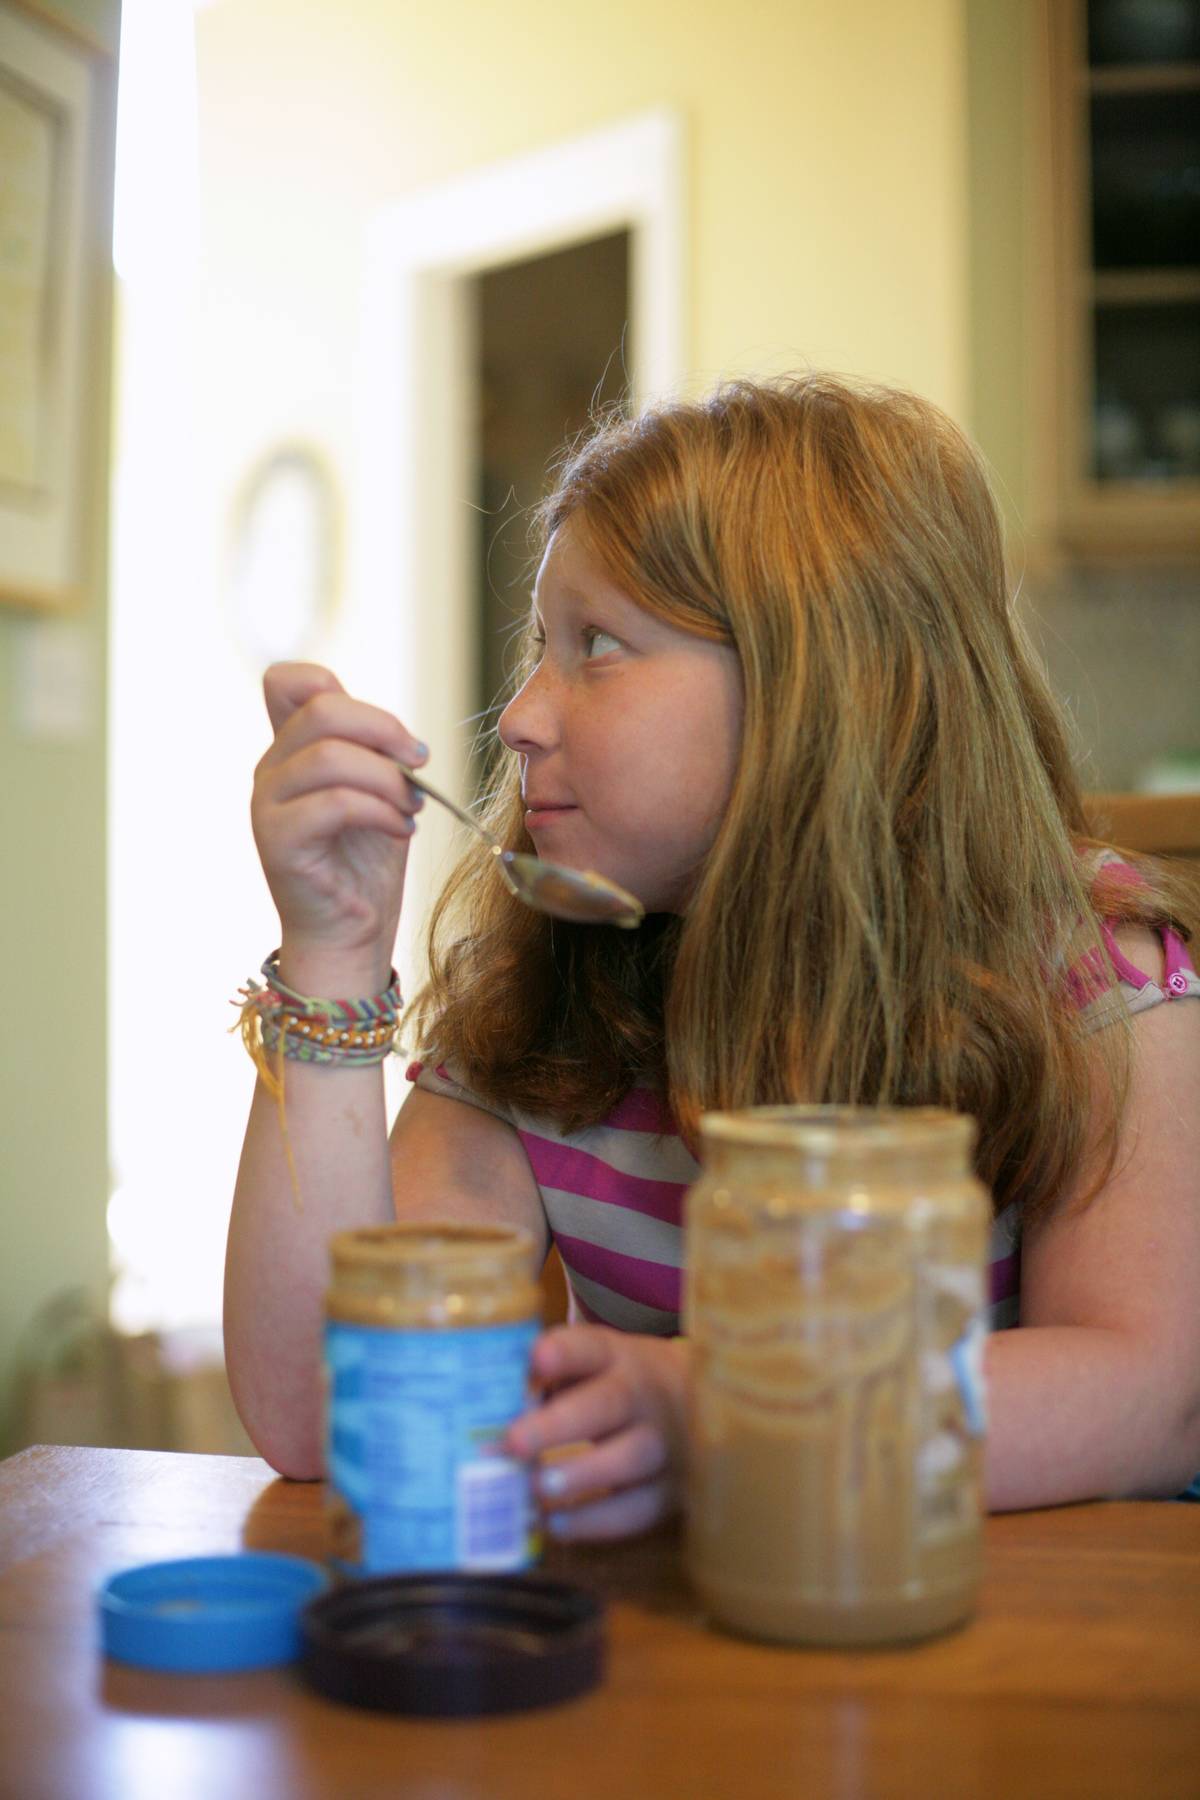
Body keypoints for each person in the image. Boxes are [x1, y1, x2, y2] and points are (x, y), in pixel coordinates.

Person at [225, 372, 1200, 1534]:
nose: (522, 715)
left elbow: (1148, 1401)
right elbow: (318, 1409)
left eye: (598, 645)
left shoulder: (1094, 977)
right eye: (542, 643)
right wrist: (332, 954)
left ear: (824, 688)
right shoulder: (548, 989)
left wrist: (719, 1412)